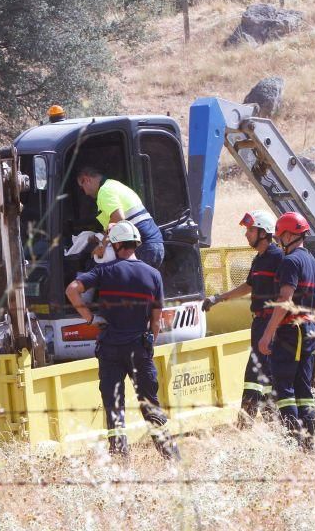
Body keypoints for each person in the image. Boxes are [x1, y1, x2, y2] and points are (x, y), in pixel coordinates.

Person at [65, 221, 179, 460]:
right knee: (150, 404)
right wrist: (149, 344)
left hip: (110, 350)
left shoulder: (105, 271)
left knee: (114, 405)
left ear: (116, 245)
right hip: (139, 348)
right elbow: (156, 320)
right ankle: (171, 457)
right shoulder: (153, 275)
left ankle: (120, 458)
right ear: (136, 243)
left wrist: (89, 318)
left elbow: (72, 289)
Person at [202, 210, 282, 428]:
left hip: (270, 324)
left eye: (250, 230)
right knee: (260, 374)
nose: (246, 235)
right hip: (259, 323)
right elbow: (249, 286)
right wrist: (219, 297)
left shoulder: (278, 258)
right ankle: (268, 421)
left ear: (264, 233)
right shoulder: (259, 259)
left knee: (257, 374)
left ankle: (247, 424)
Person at [258, 212, 315, 452]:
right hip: (310, 330)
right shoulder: (313, 263)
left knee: (283, 387)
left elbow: (285, 299)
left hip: (292, 330)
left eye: (279, 236)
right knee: (303, 389)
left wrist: (268, 333)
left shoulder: (290, 261)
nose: (277, 241)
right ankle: (308, 445)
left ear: (287, 234)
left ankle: (293, 442)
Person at [76, 166, 165, 268]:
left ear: (87, 179)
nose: (84, 192)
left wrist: (102, 246)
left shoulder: (104, 191)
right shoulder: (114, 185)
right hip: (153, 245)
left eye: (81, 187)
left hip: (143, 247)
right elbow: (121, 222)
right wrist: (98, 236)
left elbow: (118, 219)